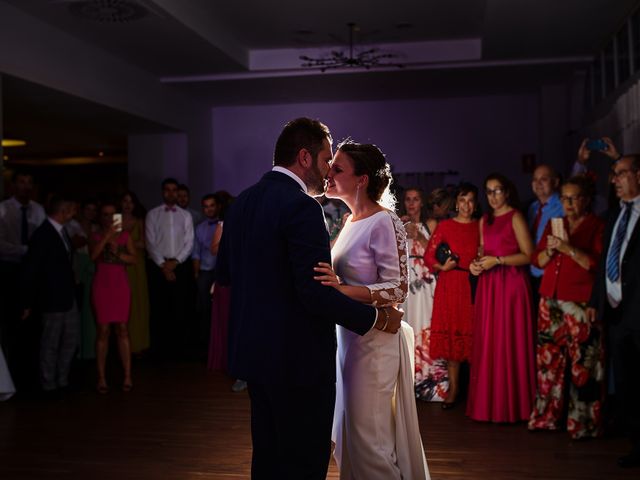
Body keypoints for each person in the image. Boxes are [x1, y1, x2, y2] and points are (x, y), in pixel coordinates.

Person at [215, 118, 402, 480]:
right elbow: (313, 294)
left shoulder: (240, 204)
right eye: (326, 158)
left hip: (254, 356)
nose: (328, 168)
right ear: (305, 157)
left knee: (268, 457)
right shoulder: (302, 207)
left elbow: (225, 276)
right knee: (303, 463)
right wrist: (375, 320)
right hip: (297, 361)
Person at [314, 140, 429, 479]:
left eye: (337, 169)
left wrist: (339, 289)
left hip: (375, 343)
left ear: (362, 179)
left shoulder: (385, 221)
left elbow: (398, 287)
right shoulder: (350, 221)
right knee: (351, 433)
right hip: (348, 338)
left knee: (370, 438)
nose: (328, 174)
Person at [528, 176, 605, 439]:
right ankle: (547, 417)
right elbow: (537, 261)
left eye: (574, 198)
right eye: (565, 198)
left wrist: (567, 248)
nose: (568, 203)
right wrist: (550, 251)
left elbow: (595, 264)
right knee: (549, 361)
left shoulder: (597, 225)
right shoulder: (554, 223)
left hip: (580, 302)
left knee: (584, 363)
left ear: (586, 200)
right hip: (550, 298)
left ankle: (582, 424)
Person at [468, 173, 536, 422]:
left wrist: (498, 260)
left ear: (507, 192)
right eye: (489, 191)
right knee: (492, 341)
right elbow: (483, 252)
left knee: (511, 340)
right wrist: (476, 266)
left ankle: (516, 406)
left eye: (498, 190)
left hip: (512, 285)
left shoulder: (516, 216)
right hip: (489, 285)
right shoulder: (484, 220)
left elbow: (529, 255)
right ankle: (491, 406)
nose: (493, 196)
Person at [588, 154, 640, 468]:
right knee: (627, 383)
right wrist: (597, 303)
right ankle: (637, 446)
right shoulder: (615, 215)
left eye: (621, 173)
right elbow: (605, 262)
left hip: (639, 312)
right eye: (613, 174)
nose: (615, 179)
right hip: (618, 314)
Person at [424, 182, 480, 409]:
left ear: (475, 204)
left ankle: (477, 393)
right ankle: (454, 390)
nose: (466, 205)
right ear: (456, 203)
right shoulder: (445, 225)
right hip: (449, 283)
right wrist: (442, 267)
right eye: (463, 200)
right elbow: (428, 256)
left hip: (474, 284)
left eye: (471, 200)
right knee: (452, 339)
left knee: (474, 336)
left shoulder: (481, 226)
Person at [20, 195, 79, 395]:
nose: (74, 213)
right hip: (51, 299)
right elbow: (31, 270)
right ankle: (48, 384)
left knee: (70, 340)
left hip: (68, 297)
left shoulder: (63, 232)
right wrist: (27, 301)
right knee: (50, 343)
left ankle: (62, 380)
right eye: (72, 210)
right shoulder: (42, 235)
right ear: (63, 211)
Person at [399, 187, 446, 402]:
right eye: (408, 199)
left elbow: (438, 255)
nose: (411, 203)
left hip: (426, 281)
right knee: (408, 327)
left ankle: (433, 385)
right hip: (407, 281)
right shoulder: (399, 222)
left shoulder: (431, 224)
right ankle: (409, 384)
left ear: (421, 202)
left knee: (427, 326)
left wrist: (418, 235)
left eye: (415, 199)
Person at [0, 171, 46, 385]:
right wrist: (27, 250)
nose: (25, 186)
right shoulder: (3, 209)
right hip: (10, 271)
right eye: (21, 182)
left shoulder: (38, 210)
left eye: (29, 182)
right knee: (11, 322)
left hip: (33, 273)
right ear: (13, 185)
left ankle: (31, 373)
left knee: (34, 324)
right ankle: (11, 374)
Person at [145, 178, 194, 358]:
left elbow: (189, 242)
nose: (171, 193)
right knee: (159, 309)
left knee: (180, 308)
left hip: (180, 266)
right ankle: (160, 350)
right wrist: (163, 266)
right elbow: (150, 243)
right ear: (163, 192)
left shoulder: (185, 215)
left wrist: (176, 262)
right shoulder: (153, 214)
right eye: (168, 190)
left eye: (174, 190)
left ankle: (180, 350)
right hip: (158, 267)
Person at [91, 202, 136, 394]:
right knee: (103, 330)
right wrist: (107, 237)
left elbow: (134, 259)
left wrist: (120, 253)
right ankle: (101, 377)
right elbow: (93, 256)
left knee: (123, 329)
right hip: (102, 284)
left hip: (120, 285)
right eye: (105, 214)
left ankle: (127, 375)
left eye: (112, 215)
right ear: (100, 217)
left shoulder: (125, 236)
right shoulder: (94, 235)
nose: (109, 218)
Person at [528, 165, 563, 306]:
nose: (538, 183)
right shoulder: (532, 208)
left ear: (555, 182)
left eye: (544, 179)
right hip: (532, 273)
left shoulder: (563, 205)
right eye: (535, 179)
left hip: (553, 274)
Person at [121, 191, 150, 355]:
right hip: (120, 265)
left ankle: (138, 343)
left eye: (130, 201)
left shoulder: (139, 221)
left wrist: (127, 244)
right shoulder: (116, 221)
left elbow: (145, 243)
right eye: (125, 201)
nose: (127, 204)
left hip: (136, 265)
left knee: (137, 301)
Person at [192, 194, 219, 357]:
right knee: (204, 310)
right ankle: (206, 347)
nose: (209, 209)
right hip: (205, 272)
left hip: (221, 273)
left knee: (220, 309)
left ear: (217, 207)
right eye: (205, 206)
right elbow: (196, 253)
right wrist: (196, 274)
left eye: (212, 205)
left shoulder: (226, 225)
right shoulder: (199, 228)